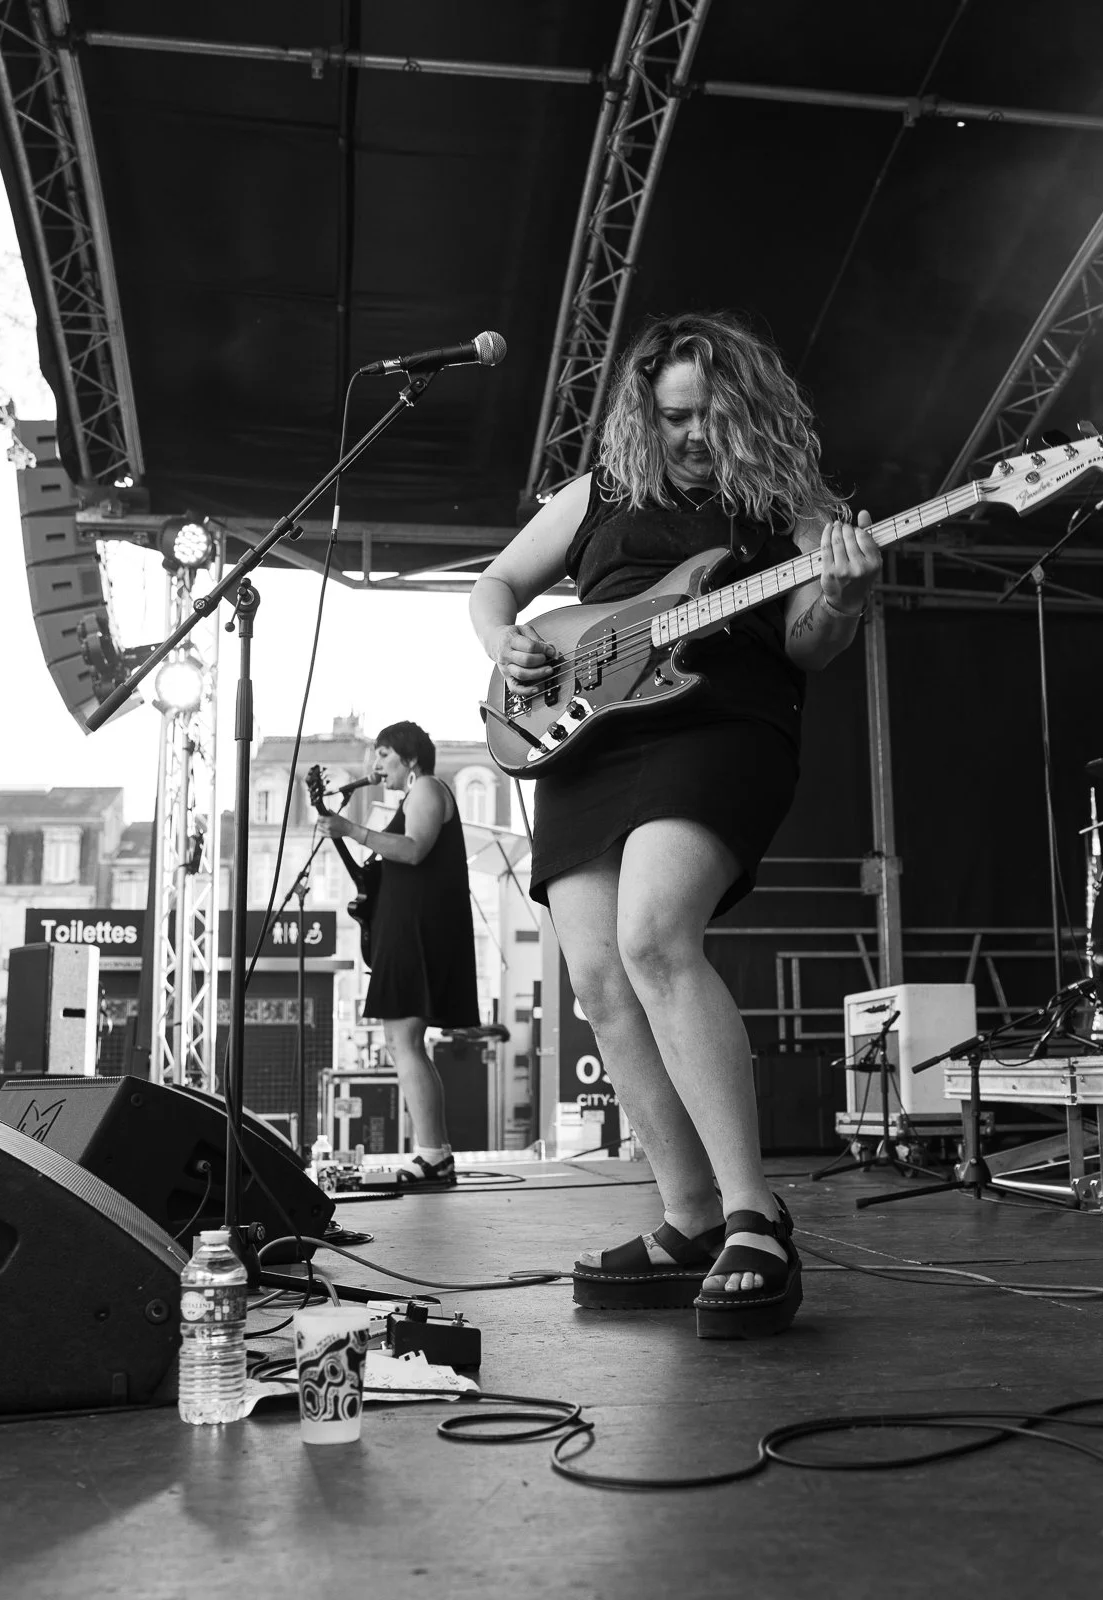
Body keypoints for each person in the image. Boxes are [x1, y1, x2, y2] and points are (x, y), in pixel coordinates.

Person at [468, 311, 878, 1338]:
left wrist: (842, 596)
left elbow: (810, 643)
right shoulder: (598, 493)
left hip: (721, 720)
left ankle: (753, 1217)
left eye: (709, 416)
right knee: (598, 979)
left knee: (654, 936)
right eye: (673, 416)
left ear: (747, 411)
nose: (691, 435)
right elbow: (497, 582)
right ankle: (688, 1217)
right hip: (582, 730)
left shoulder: (790, 505)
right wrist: (505, 639)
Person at [315, 721, 480, 1185]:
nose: (377, 764)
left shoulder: (426, 787)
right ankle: (434, 1152)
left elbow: (412, 850)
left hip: (419, 934)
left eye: (384, 754)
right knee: (403, 1042)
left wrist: (350, 829)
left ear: (410, 758)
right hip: (408, 932)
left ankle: (433, 1154)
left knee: (404, 1041)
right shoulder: (412, 794)